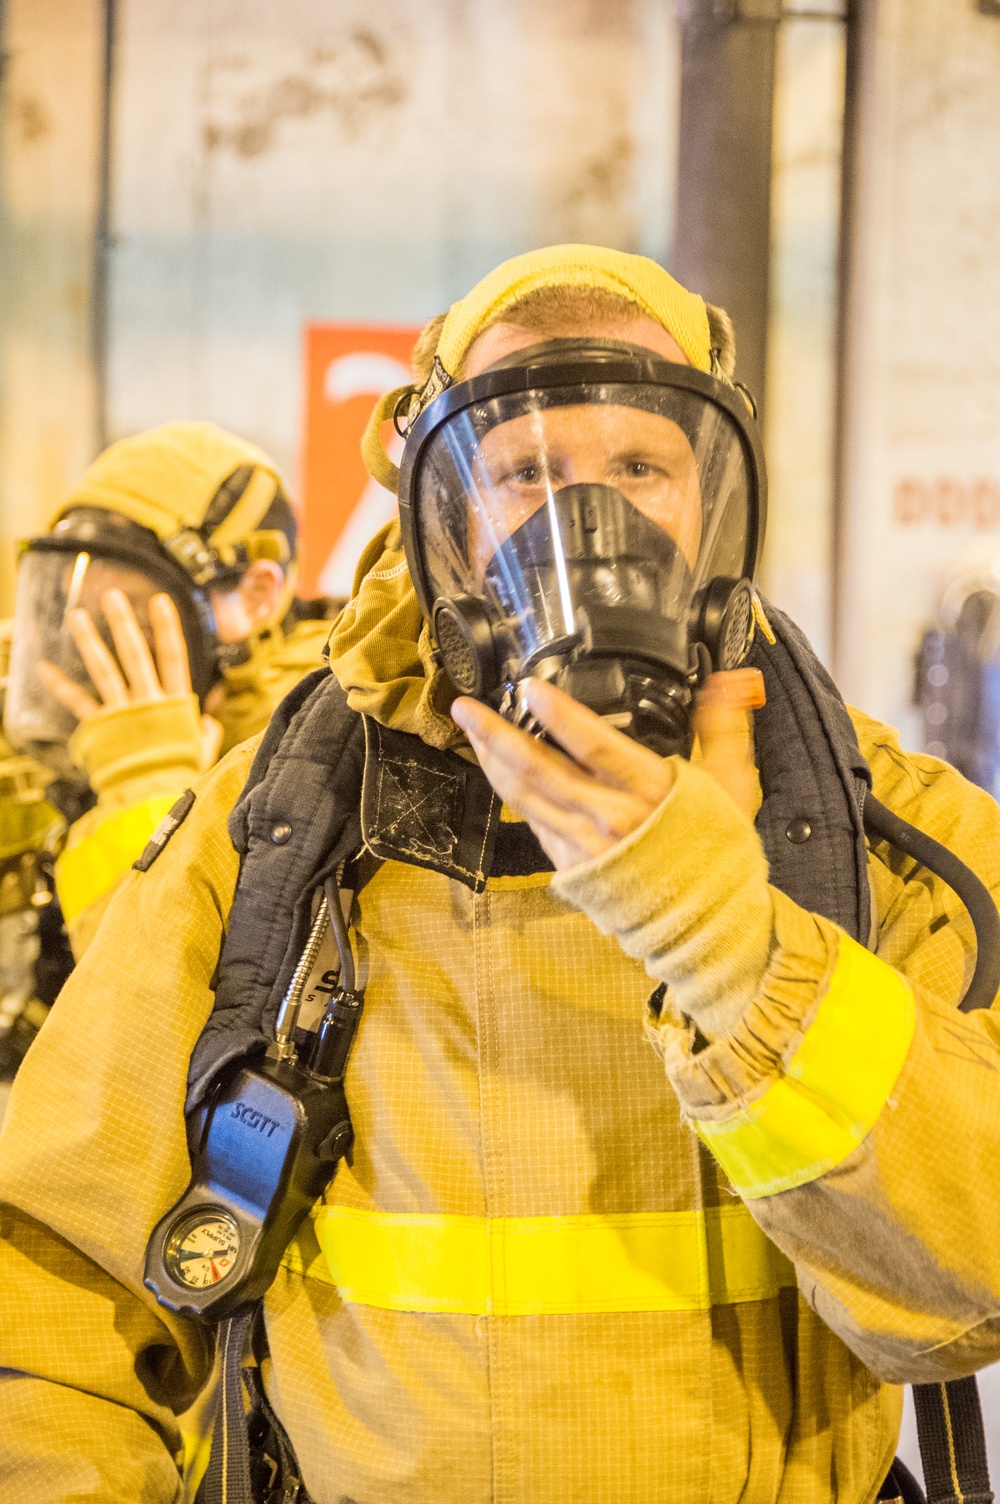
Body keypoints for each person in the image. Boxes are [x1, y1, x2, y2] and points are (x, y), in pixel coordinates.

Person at [2, 244, 999, 1504]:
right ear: (445, 521)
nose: (589, 525)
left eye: (639, 465)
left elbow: (970, 1290)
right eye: (525, 471)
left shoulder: (880, 835)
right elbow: (54, 1294)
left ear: (715, 505)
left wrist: (727, 942)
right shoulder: (277, 824)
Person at [1, 420, 340, 964]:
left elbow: (157, 1007)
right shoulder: (86, 704)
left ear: (256, 595)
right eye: (77, 613)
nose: (99, 654)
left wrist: (147, 788)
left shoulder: (328, 742)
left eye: (132, 618)